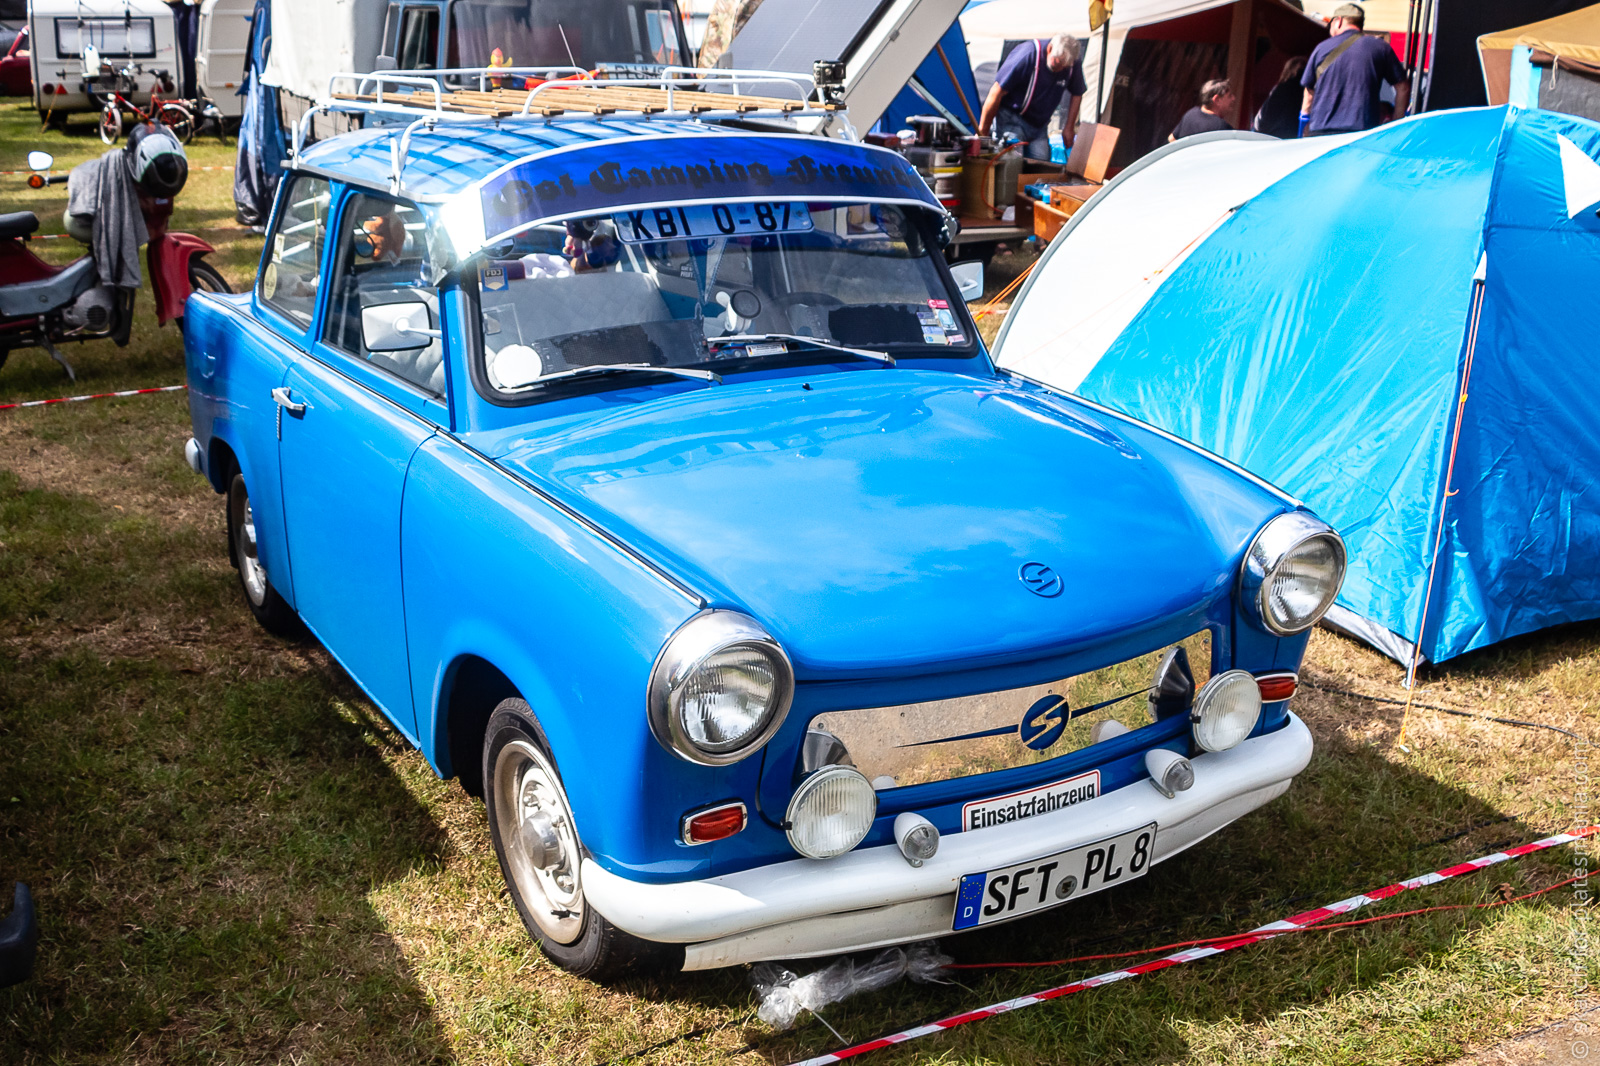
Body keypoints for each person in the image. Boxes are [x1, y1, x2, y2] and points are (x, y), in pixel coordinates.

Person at [1300, 3, 1409, 136]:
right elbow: (1403, 88)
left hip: (1321, 134)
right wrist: (1396, 124)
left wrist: (1303, 126)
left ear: (1338, 21)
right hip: (1361, 135)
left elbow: (1309, 94)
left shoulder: (1321, 48)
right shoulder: (1380, 47)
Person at [977, 34, 1086, 161]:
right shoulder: (1027, 55)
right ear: (1050, 49)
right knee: (1012, 161)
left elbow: (1077, 94)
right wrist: (983, 133)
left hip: (1039, 125)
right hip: (1012, 118)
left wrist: (1069, 127)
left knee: (1041, 162)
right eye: (1058, 63)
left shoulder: (1071, 61)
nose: (1060, 68)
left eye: (1065, 66)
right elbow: (996, 92)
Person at [1254, 56, 1308, 139]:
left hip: (1278, 138)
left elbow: (1263, 120)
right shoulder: (1310, 90)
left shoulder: (1281, 88)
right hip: (1300, 138)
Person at [1168, 79, 1236, 142]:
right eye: (1229, 96)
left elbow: (1171, 139)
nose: (1233, 98)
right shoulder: (1222, 128)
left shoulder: (1190, 114)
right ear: (1217, 100)